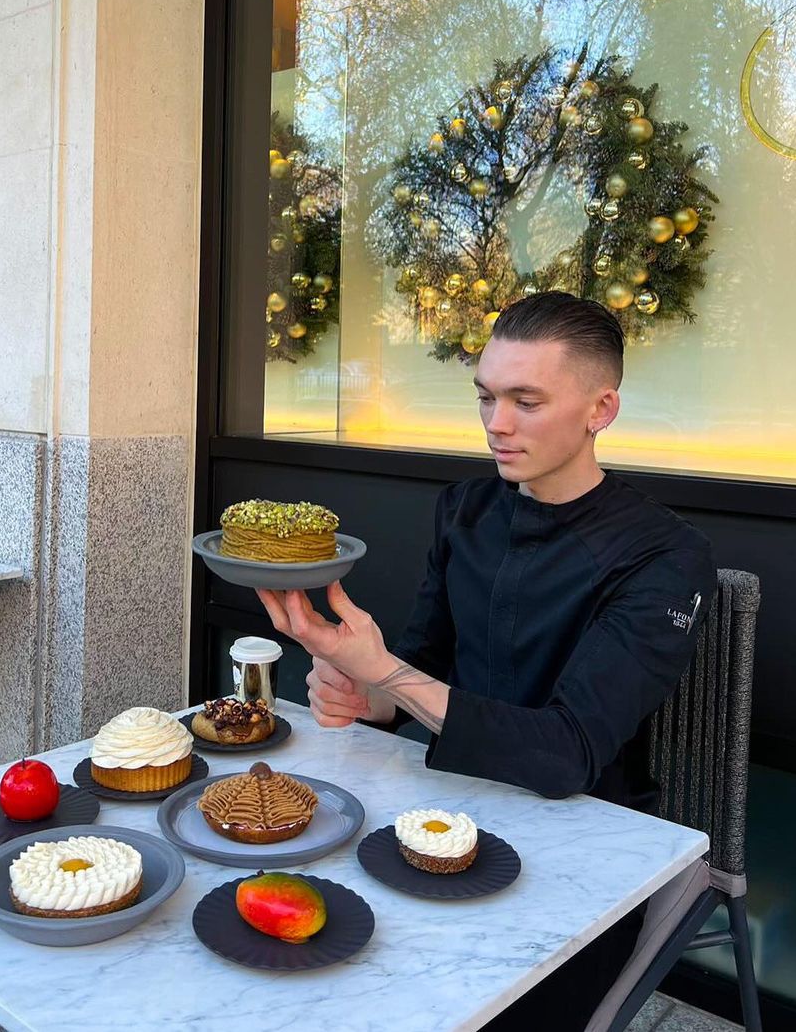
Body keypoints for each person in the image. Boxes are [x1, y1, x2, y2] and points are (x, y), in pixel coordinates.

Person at [256, 291, 716, 1032]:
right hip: (440, 812)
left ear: (602, 409)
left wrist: (391, 675)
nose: (496, 424)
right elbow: (426, 662)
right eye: (486, 397)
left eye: (525, 401)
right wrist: (360, 682)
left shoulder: (663, 554)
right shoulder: (465, 508)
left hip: (586, 848)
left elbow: (569, 753)